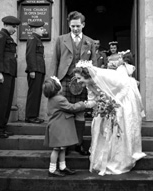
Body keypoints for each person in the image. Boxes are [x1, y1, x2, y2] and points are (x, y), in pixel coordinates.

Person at [73, 60, 146, 176]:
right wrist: (83, 105)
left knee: (120, 127)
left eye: (79, 78)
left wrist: (113, 102)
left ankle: (118, 160)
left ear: (86, 75)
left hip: (123, 98)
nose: (78, 81)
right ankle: (103, 160)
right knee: (101, 126)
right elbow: (93, 100)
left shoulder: (103, 75)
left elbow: (125, 86)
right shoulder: (88, 85)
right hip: (107, 104)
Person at [49, 11, 97, 155]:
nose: (75, 29)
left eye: (78, 26)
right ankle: (66, 144)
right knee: (65, 113)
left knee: (80, 112)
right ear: (69, 25)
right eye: (72, 26)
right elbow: (55, 61)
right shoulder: (60, 39)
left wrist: (92, 82)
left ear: (83, 25)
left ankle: (79, 144)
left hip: (81, 81)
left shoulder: (90, 42)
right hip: (64, 80)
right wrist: (53, 80)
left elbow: (94, 63)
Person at [43, 77, 86, 177]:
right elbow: (71, 108)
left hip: (57, 127)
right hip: (58, 128)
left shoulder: (52, 98)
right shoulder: (59, 99)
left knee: (62, 148)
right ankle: (52, 169)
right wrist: (83, 104)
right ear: (58, 88)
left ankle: (62, 167)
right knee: (57, 149)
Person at [0, 16, 21, 138]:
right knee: (1, 102)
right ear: (6, 25)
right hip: (2, 74)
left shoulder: (7, 37)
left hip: (9, 73)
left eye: (16, 27)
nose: (15, 29)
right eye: (13, 27)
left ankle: (2, 127)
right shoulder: (1, 36)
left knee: (7, 103)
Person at [25, 21, 46, 124]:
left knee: (37, 94)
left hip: (39, 70)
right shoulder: (33, 39)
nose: (43, 30)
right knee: (33, 94)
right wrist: (32, 70)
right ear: (34, 29)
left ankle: (34, 116)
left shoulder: (38, 39)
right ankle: (30, 117)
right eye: (41, 29)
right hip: (35, 70)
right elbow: (30, 55)